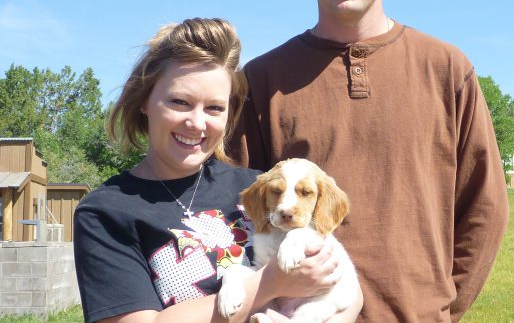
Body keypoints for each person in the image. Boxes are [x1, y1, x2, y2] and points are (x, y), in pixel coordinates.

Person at [229, 0, 510, 323]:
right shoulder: (263, 79)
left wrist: (442, 309)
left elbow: (484, 206)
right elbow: (234, 209)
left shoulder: (446, 68)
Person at [74, 18, 363, 323]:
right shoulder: (106, 212)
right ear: (144, 100)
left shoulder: (258, 188)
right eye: (180, 102)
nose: (197, 123)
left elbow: (348, 293)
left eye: (214, 108)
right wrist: (270, 284)